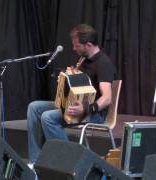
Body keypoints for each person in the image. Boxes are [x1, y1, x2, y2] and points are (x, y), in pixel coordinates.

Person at [27, 24, 116, 166]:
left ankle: (68, 163)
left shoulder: (103, 63)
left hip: (94, 113)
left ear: (88, 44)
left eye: (77, 46)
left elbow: (107, 98)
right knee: (34, 107)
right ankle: (35, 161)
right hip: (74, 106)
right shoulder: (83, 60)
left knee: (48, 117)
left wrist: (86, 109)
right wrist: (65, 81)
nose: (74, 49)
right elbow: (78, 85)